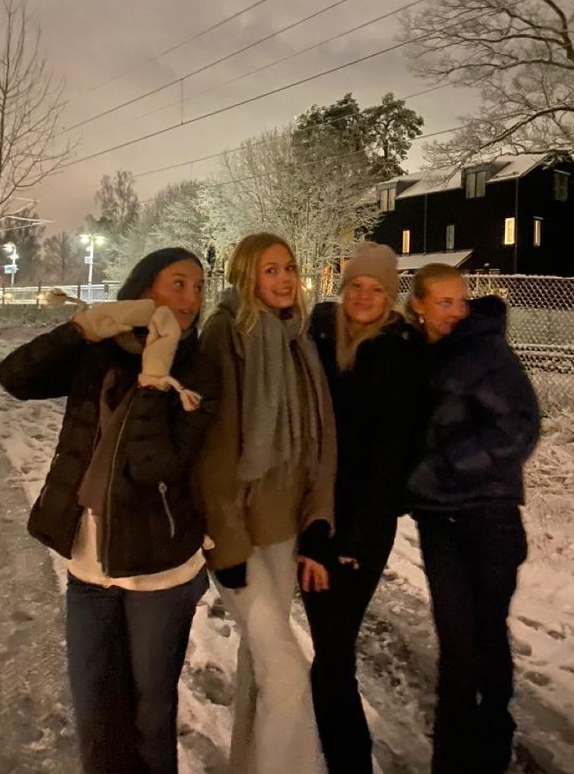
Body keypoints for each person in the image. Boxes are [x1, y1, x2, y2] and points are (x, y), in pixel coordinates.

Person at [0, 247, 220, 774]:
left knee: (150, 716)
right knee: (96, 710)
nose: (190, 299)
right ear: (144, 291)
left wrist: (155, 376)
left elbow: (156, 466)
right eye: (178, 284)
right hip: (88, 564)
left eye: (198, 288)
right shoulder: (99, 353)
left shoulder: (196, 370)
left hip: (158, 568)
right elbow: (14, 377)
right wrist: (83, 328)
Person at [196, 232, 336, 774]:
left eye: (289, 268)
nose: (283, 279)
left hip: (282, 531)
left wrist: (318, 519)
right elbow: (215, 449)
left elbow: (322, 440)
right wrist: (227, 543)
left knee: (261, 667)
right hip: (241, 537)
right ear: (246, 275)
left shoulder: (298, 340)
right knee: (288, 674)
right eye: (269, 269)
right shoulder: (226, 333)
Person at [405, 263, 540, 774]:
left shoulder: (486, 351)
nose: (457, 311)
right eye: (444, 302)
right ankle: (454, 757)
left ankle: (490, 746)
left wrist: (442, 467)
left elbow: (520, 427)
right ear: (418, 304)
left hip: (489, 518)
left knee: (484, 637)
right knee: (458, 644)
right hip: (440, 523)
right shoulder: (418, 353)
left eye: (460, 301)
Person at [304, 241, 421, 774]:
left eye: (377, 288)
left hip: (356, 532)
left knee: (332, 660)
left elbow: (389, 460)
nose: (365, 296)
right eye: (357, 286)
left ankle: (347, 763)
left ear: (390, 295)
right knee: (331, 657)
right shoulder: (319, 337)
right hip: (311, 518)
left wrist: (351, 540)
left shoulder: (400, 352)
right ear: (343, 288)